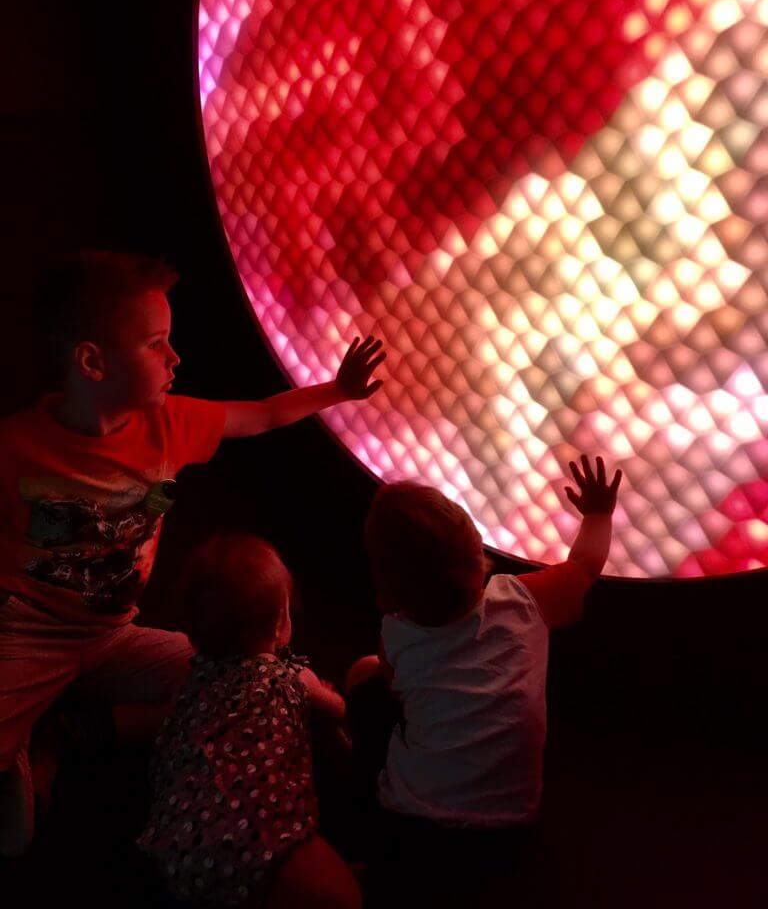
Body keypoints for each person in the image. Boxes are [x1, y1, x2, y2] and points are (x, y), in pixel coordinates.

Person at [0, 249, 385, 857]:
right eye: (156, 344)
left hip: (115, 635)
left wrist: (337, 390)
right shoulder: (16, 447)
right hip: (31, 629)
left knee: (238, 678)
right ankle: (37, 746)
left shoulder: (170, 424)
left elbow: (258, 416)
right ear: (93, 361)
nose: (176, 358)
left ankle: (72, 736)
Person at [346, 456, 621, 868]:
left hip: (405, 823)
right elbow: (584, 566)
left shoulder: (395, 631)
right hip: (511, 829)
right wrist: (598, 515)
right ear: (479, 551)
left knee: (364, 673)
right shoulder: (525, 599)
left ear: (386, 595)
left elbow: (398, 697)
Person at [139, 532, 360, 909]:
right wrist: (326, 692)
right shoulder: (290, 677)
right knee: (344, 896)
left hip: (174, 842)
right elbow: (338, 709)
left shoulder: (190, 681)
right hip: (258, 834)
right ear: (279, 626)